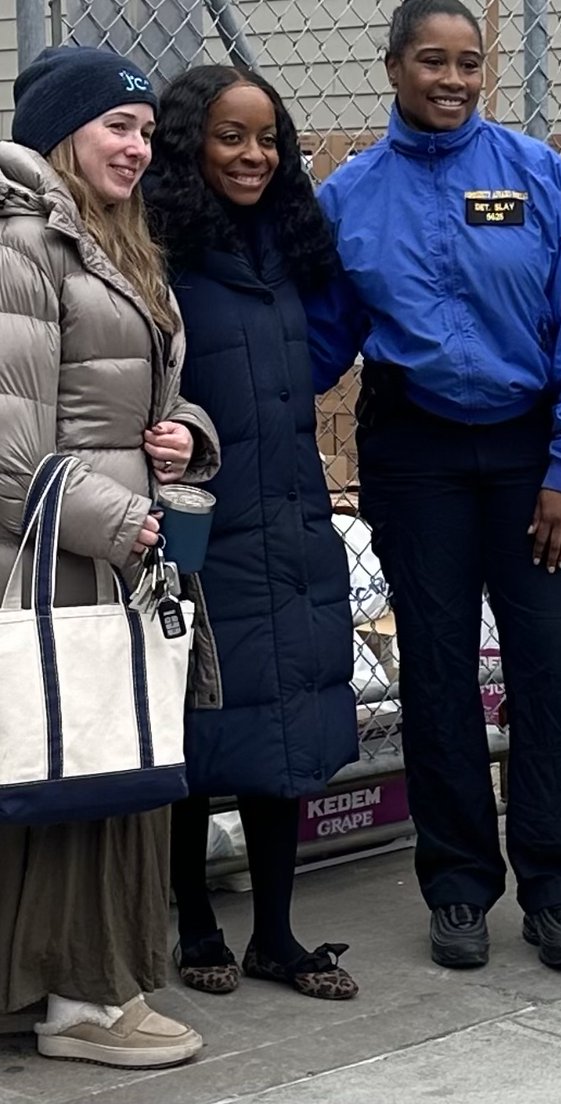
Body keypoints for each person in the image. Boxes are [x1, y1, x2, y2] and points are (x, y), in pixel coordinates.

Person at [0, 45, 222, 1066]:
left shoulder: (100, 240)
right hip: (38, 558)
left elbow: (125, 402)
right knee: (77, 761)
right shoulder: (6, 248)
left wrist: (183, 437)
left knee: (43, 761)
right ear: (61, 133)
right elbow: (2, 455)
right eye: (117, 127)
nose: (139, 146)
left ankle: (17, 985)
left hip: (77, 547)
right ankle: (87, 1004)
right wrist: (129, 525)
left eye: (144, 130)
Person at [306, 0, 561, 971]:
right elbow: (317, 340)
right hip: (417, 457)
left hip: (534, 458)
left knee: (549, 668)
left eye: (469, 63)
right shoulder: (350, 196)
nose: (452, 80)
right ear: (394, 65)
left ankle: (554, 886)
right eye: (432, 62)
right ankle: (455, 886)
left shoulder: (533, 176)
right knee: (439, 672)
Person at [145, 65, 360, 1001]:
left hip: (289, 511)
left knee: (283, 726)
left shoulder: (286, 244)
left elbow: (318, 354)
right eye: (231, 136)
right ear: (190, 142)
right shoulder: (157, 253)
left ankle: (276, 932)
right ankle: (194, 923)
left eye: (268, 137)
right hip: (201, 526)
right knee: (196, 728)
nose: (254, 155)